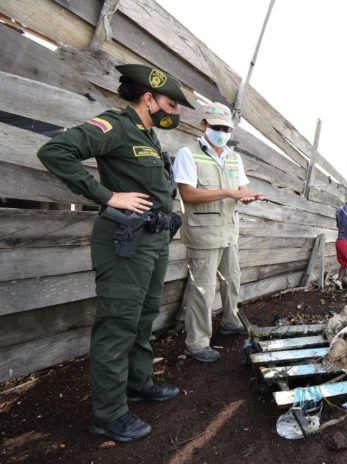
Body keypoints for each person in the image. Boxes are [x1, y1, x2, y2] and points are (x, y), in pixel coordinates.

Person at [37, 64, 193, 442]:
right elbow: (55, 151)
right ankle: (108, 413)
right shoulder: (116, 125)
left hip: (152, 241)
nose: (175, 113)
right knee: (118, 323)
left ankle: (137, 383)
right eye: (171, 104)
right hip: (125, 241)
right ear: (149, 98)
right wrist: (107, 196)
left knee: (142, 317)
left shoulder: (148, 136)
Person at [173, 102, 262, 363]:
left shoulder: (234, 157)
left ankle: (230, 322)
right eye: (216, 127)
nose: (221, 132)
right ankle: (197, 343)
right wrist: (228, 192)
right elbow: (187, 193)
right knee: (202, 289)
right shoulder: (188, 154)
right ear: (203, 126)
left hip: (229, 232)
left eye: (225, 128)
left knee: (232, 280)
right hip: (203, 234)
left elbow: (241, 188)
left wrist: (249, 196)